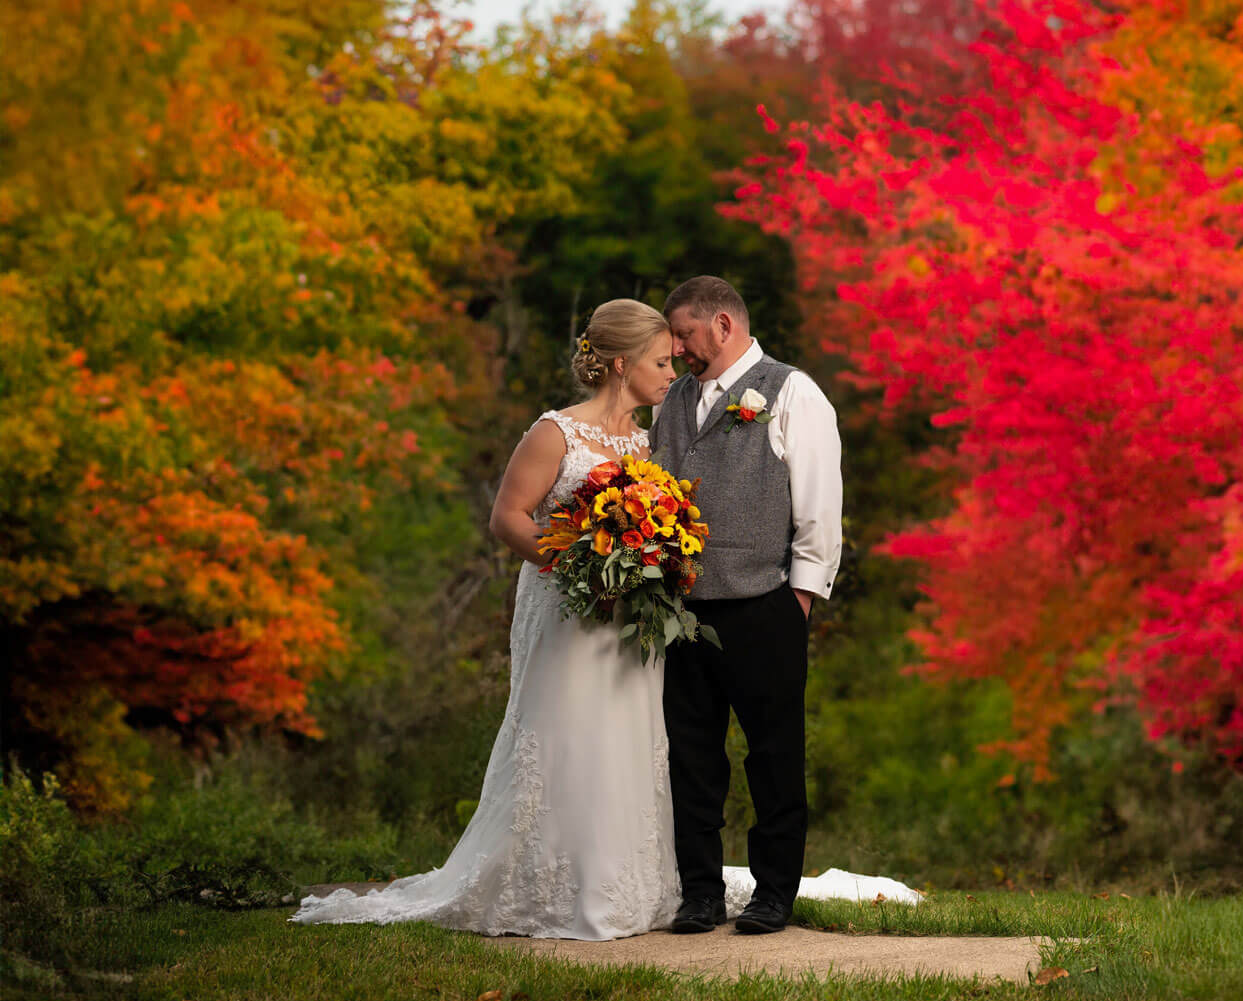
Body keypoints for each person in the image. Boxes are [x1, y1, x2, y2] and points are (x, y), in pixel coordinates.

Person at [292, 299, 683, 939]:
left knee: (626, 732)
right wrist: (582, 566)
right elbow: (507, 517)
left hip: (627, 618)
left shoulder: (652, 439)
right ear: (621, 362)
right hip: (567, 606)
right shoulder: (555, 433)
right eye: (661, 361)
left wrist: (644, 570)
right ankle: (544, 881)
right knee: (564, 729)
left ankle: (624, 883)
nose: (672, 373)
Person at [652, 275, 843, 935]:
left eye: (685, 334)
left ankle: (773, 896)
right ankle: (699, 893)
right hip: (682, 614)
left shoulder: (794, 392)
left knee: (773, 757)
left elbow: (820, 506)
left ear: (725, 324)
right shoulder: (671, 401)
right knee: (689, 757)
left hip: (767, 606)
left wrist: (800, 601)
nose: (677, 350)